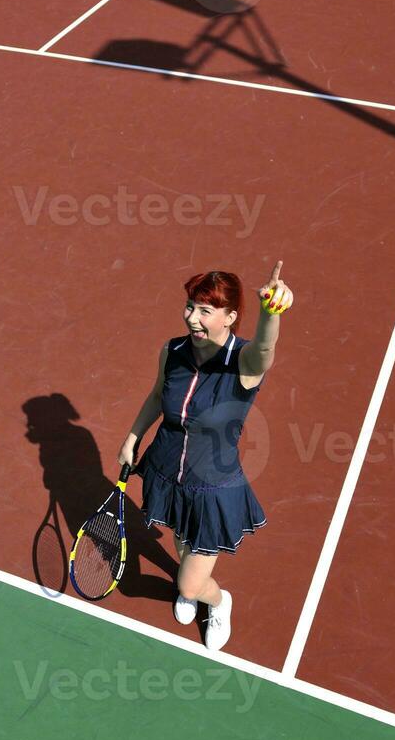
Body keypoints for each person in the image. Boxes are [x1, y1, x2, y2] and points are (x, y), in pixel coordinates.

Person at [117, 261, 293, 651]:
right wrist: (133, 436)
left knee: (191, 581)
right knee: (181, 543)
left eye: (205, 311)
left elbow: (266, 347)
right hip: (167, 469)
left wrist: (270, 312)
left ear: (230, 317)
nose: (192, 318)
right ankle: (191, 587)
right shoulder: (174, 350)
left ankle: (215, 599)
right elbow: (157, 393)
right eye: (190, 306)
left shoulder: (244, 362)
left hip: (212, 486)